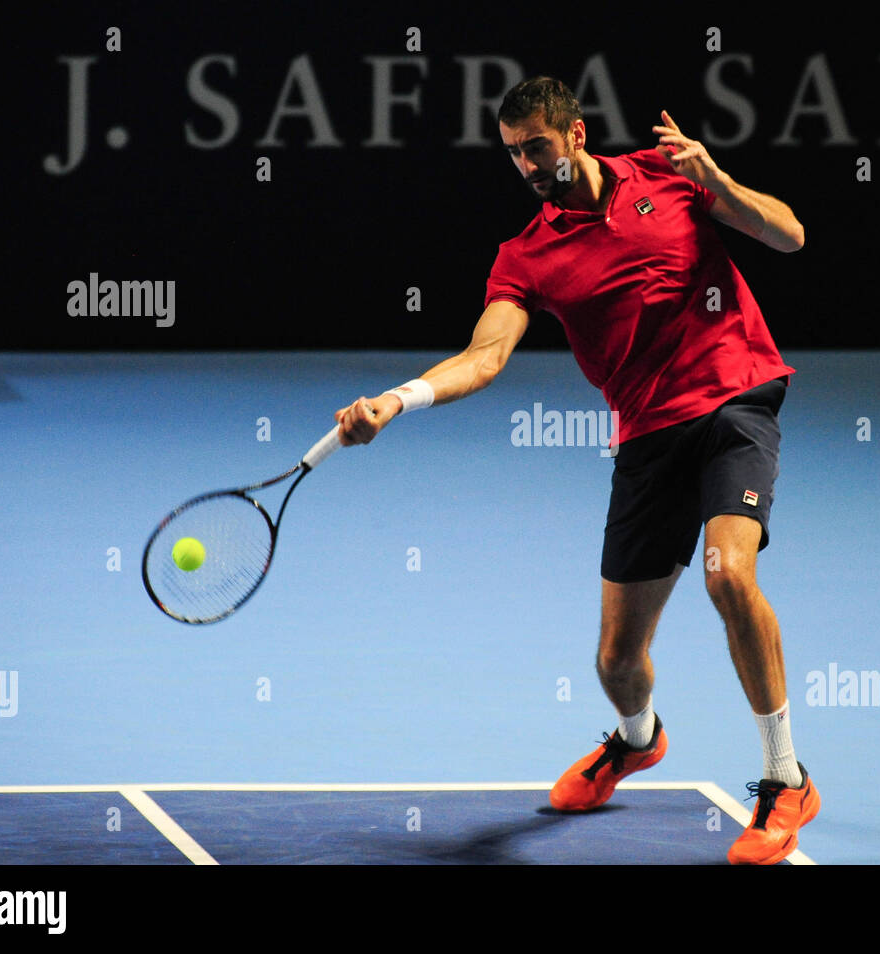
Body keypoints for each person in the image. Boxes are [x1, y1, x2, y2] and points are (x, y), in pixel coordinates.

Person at [333, 76, 816, 865]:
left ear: (576, 135)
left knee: (730, 576)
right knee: (617, 663)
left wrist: (717, 181)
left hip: (736, 401)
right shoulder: (527, 254)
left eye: (536, 148)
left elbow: (791, 235)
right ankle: (637, 740)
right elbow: (484, 358)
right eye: (514, 154)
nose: (526, 165)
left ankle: (785, 778)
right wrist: (397, 399)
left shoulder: (669, 177)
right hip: (648, 437)